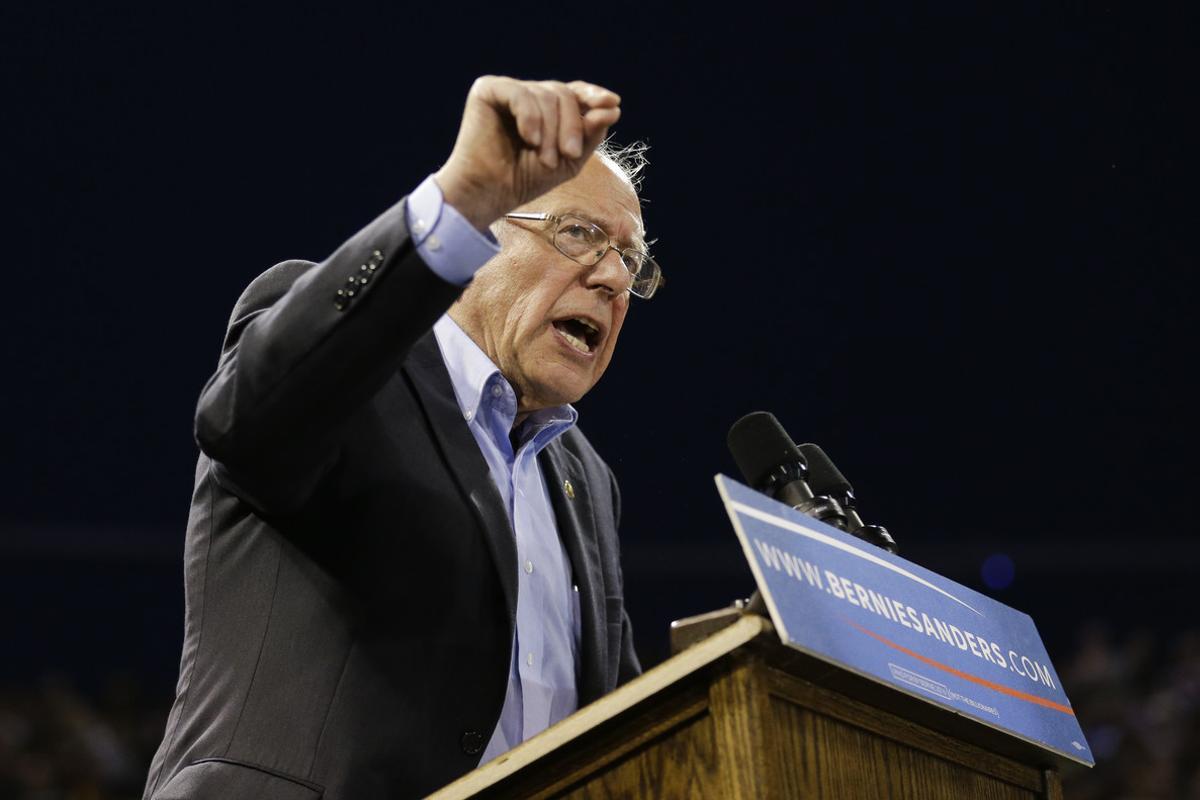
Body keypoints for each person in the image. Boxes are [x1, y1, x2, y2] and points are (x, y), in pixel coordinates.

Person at [141, 76, 662, 800]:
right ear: (483, 237)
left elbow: (626, 726)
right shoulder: (353, 366)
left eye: (631, 260)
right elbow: (244, 425)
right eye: (580, 233)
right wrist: (460, 195)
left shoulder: (586, 480)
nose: (611, 276)